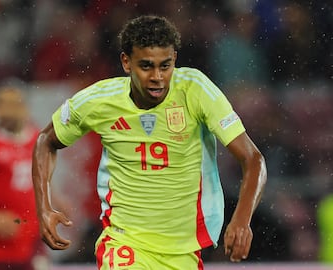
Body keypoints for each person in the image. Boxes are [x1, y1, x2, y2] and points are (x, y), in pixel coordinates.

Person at [32, 15, 267, 269]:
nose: (157, 77)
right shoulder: (99, 101)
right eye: (146, 66)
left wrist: (242, 219)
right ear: (126, 62)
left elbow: (253, 159)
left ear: (174, 59)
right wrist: (44, 207)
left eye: (165, 66)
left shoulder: (196, 90)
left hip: (183, 249)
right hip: (125, 242)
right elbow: (46, 140)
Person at [0, 86, 48, 270]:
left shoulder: (38, 139)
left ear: (26, 108)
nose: (9, 110)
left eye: (15, 104)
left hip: (32, 244)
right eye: (4, 104)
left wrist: (58, 205)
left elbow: (39, 179)